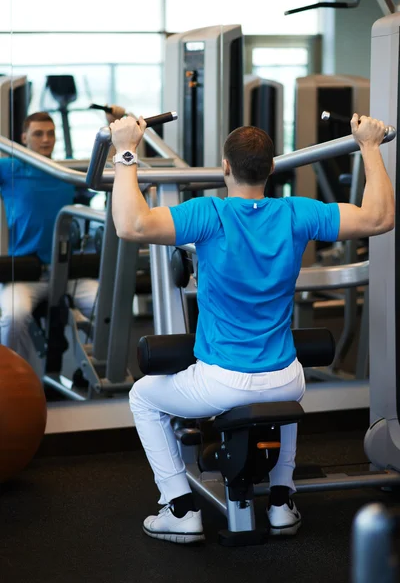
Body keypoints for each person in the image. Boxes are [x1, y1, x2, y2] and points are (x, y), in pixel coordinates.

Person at [110, 113, 394, 544]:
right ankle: (282, 501)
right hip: (286, 380)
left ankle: (179, 507)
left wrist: (126, 150)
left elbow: (131, 224)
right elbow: (378, 219)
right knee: (287, 381)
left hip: (222, 381)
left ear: (225, 168)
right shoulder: (297, 213)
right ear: (273, 169)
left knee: (143, 397)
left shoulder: (210, 214)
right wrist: (370, 147)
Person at [0, 107, 123, 369]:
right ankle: (19, 379)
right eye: (38, 134)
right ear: (24, 138)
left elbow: (113, 168)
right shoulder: (10, 169)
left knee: (109, 307)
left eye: (51, 134)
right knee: (13, 316)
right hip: (26, 273)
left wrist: (115, 129)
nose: (45, 139)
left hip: (69, 272)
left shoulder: (68, 171)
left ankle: (96, 367)